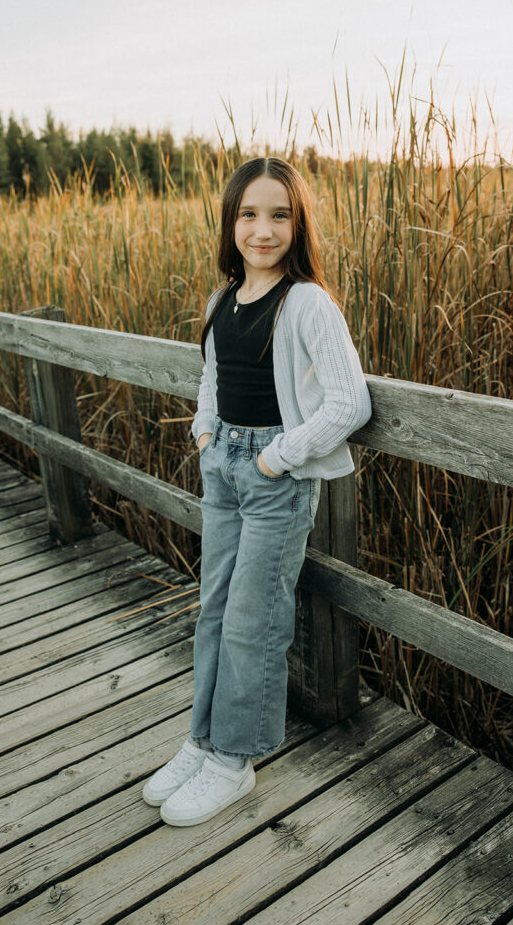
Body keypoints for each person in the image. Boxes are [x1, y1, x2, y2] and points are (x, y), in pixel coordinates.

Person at [142, 156, 372, 827]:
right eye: (248, 214)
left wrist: (277, 457)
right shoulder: (223, 300)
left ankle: (234, 760)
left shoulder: (305, 302)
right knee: (213, 609)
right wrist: (204, 432)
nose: (262, 229)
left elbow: (347, 402)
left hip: (275, 478)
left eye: (279, 215)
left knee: (253, 620)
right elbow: (213, 375)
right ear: (230, 223)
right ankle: (202, 739)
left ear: (296, 224)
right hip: (224, 467)